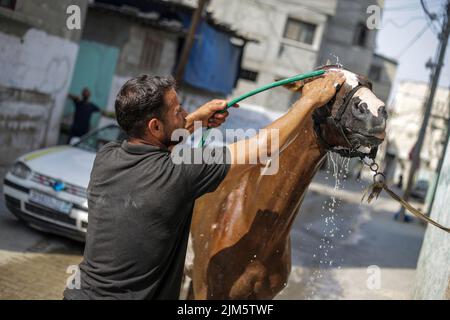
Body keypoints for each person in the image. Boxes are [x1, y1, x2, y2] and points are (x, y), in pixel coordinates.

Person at [63, 72, 344, 300]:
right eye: (177, 110)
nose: (183, 113)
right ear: (154, 127)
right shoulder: (179, 173)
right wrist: (308, 101)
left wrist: (197, 118)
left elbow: (163, 144)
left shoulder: (107, 156)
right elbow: (262, 147)